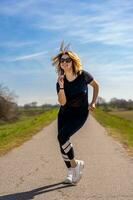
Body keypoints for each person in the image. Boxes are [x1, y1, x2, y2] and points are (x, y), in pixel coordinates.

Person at [52, 42, 99, 184]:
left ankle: (75, 165)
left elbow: (96, 86)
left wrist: (93, 102)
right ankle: (72, 171)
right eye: (62, 61)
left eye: (67, 60)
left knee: (62, 136)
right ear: (60, 64)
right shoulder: (60, 81)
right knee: (62, 141)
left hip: (80, 114)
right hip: (65, 113)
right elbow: (62, 102)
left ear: (73, 62)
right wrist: (61, 87)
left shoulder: (83, 75)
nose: (65, 62)